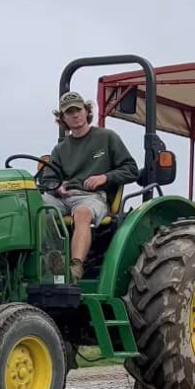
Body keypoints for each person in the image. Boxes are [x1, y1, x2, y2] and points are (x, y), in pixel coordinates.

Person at [40, 91, 139, 281]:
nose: (75, 115)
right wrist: (57, 187)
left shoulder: (107, 138)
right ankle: (52, 262)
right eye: (69, 112)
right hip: (64, 196)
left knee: (82, 213)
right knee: (35, 208)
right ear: (63, 119)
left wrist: (105, 177)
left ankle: (75, 267)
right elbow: (48, 179)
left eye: (78, 110)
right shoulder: (60, 149)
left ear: (86, 111)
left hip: (92, 197)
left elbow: (131, 169)